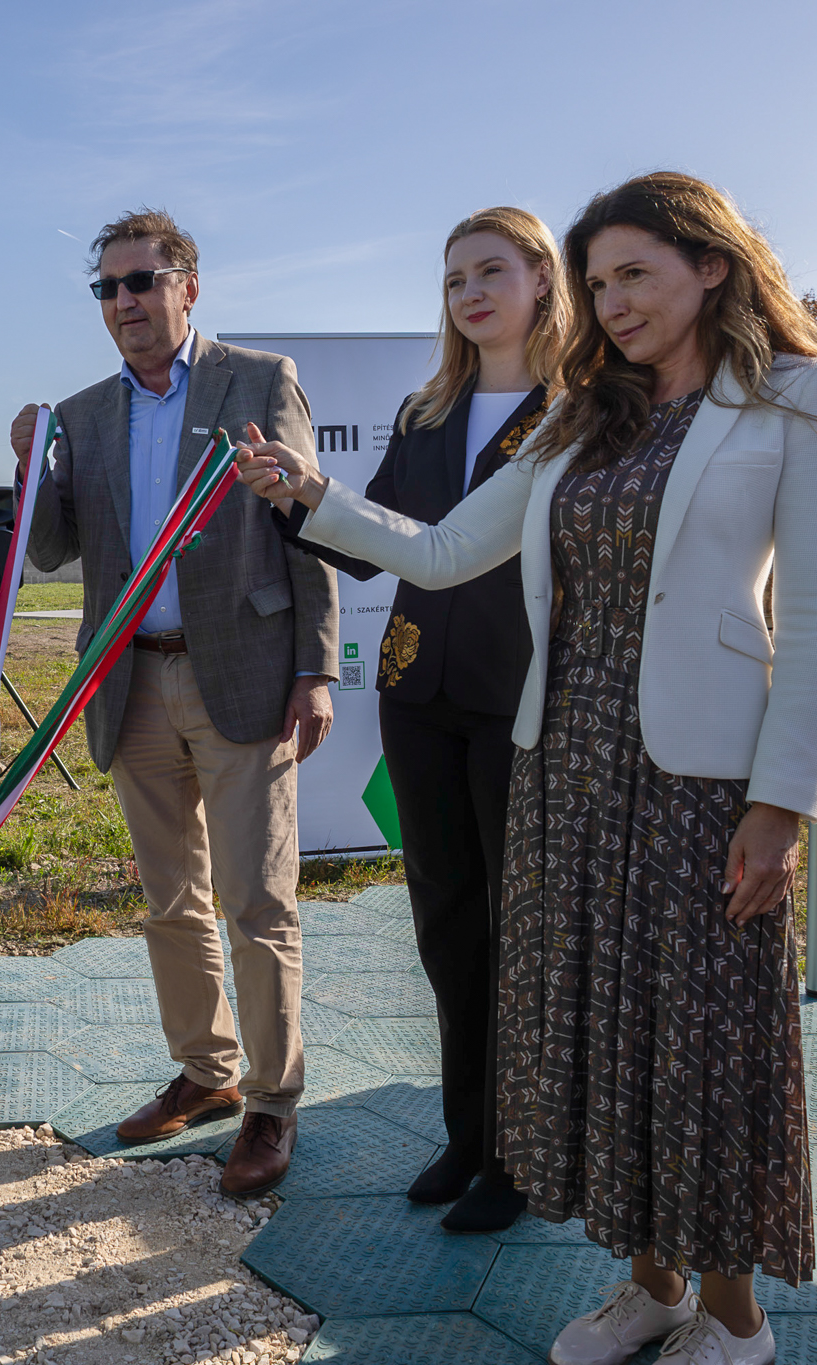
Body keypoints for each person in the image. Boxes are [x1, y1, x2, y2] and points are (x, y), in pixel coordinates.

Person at [237, 171, 817, 1365]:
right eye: (596, 283)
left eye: (634, 274)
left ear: (711, 266)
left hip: (700, 782)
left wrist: (780, 804)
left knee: (700, 1047)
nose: (612, 303)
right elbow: (441, 551)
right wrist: (310, 494)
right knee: (599, 1034)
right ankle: (651, 1289)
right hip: (565, 762)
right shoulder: (585, 413)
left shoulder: (799, 395)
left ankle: (735, 1320)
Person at [11, 208, 339, 1197]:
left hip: (240, 674)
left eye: (141, 281)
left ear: (187, 287)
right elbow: (51, 549)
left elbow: (306, 520)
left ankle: (273, 1101)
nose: (124, 302)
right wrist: (35, 468)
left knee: (257, 901)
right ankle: (206, 1071)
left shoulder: (259, 380)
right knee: (170, 900)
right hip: (130, 680)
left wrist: (316, 668)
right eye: (107, 288)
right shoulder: (84, 413)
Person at [270, 207, 567, 1233]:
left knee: (518, 929)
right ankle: (467, 1135)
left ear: (542, 278)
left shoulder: (577, 412)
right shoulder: (427, 411)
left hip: (521, 697)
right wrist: (290, 498)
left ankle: (521, 1155)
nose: (469, 293)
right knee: (444, 922)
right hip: (417, 695)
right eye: (453, 280)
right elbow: (372, 544)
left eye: (490, 271)